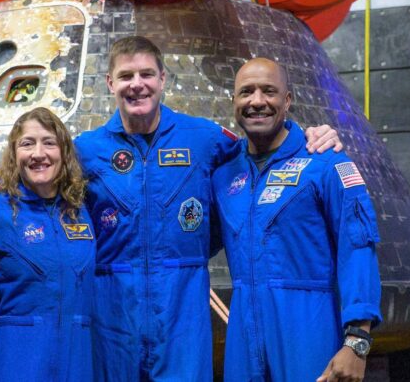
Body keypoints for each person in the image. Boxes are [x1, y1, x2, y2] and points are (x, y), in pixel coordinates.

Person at [74, 37, 343, 381]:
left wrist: (310, 136)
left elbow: (262, 148)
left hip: (182, 307)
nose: (137, 84)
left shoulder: (204, 137)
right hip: (111, 308)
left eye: (146, 74)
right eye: (126, 76)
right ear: (110, 82)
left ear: (162, 79)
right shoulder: (85, 150)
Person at [212, 57, 382, 382]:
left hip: (309, 329)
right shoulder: (223, 174)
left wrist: (357, 340)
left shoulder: (325, 163)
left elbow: (358, 249)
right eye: (246, 92)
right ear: (234, 101)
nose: (257, 101)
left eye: (269, 91)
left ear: (287, 100)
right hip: (243, 334)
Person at [0, 108, 95, 381]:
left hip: (77, 358)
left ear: (64, 152)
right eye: (27, 143)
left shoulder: (82, 211)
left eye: (49, 143)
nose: (38, 153)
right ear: (13, 153)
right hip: (17, 359)